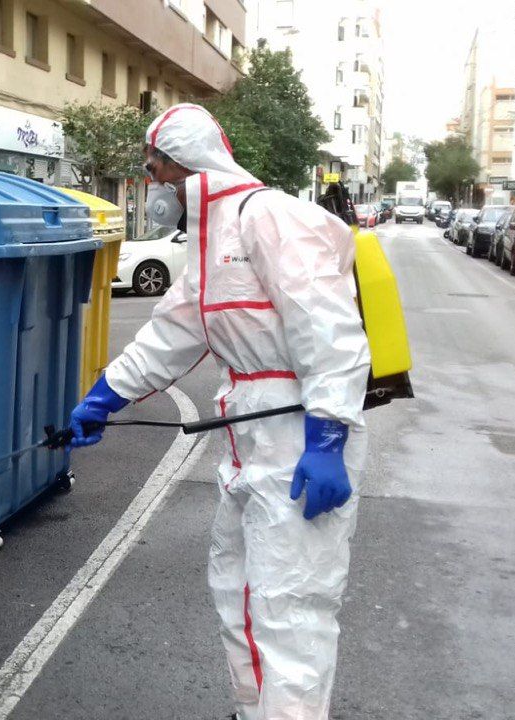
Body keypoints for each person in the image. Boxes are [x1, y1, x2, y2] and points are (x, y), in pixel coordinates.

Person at [70, 104, 371, 720]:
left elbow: (330, 331)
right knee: (234, 587)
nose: (153, 181)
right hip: (249, 433)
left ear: (184, 163)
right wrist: (106, 397)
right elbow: (174, 331)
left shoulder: (271, 217)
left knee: (291, 605)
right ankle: (251, 707)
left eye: (156, 166)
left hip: (299, 430)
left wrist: (329, 437)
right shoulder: (214, 239)